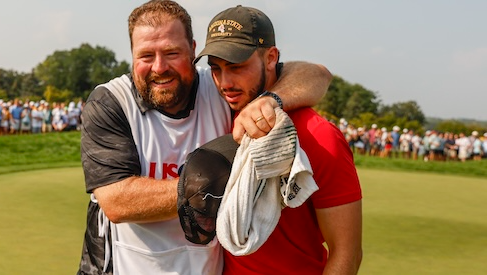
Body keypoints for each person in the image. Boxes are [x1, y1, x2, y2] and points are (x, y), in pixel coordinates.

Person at [77, 1, 331, 274]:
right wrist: (209, 184)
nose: (159, 67)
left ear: (193, 51)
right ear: (131, 56)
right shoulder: (111, 101)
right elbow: (116, 202)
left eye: (172, 52)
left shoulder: (222, 87)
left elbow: (317, 74)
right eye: (146, 56)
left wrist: (269, 100)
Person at [193, 5, 362, 274]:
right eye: (216, 68)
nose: (225, 82)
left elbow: (347, 254)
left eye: (236, 67)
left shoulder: (321, 136)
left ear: (271, 58)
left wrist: (272, 101)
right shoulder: (220, 110)